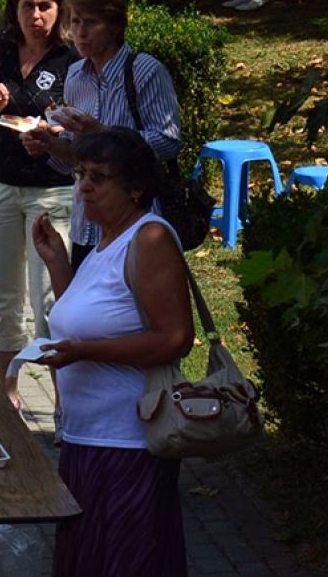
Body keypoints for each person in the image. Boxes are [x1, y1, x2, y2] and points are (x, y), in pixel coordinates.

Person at [34, 127, 193, 576]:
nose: (84, 187)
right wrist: (57, 262)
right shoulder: (106, 240)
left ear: (135, 188)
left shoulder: (149, 238)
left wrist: (85, 351)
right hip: (86, 440)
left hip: (128, 444)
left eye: (99, 178)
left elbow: (176, 337)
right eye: (80, 174)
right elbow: (84, 317)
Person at [0, 0, 77, 404]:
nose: (36, 15)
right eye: (28, 6)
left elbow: (82, 123)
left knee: (50, 303)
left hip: (52, 191)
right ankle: (8, 398)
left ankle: (64, 405)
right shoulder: (1, 48)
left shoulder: (72, 57)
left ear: (59, 11)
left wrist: (53, 133)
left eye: (45, 6)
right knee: (4, 300)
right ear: (15, 10)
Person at [20, 0, 181, 267]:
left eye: (91, 23)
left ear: (115, 26)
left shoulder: (144, 71)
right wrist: (49, 144)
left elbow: (169, 142)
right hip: (86, 224)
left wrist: (103, 134)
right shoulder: (75, 75)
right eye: (75, 22)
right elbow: (77, 156)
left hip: (133, 223)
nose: (80, 33)